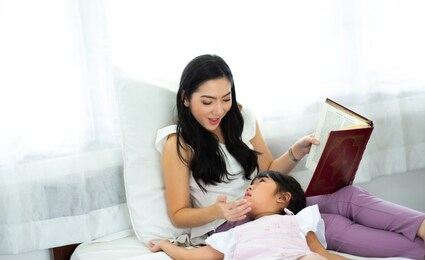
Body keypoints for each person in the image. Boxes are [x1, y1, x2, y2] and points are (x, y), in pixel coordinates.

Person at [155, 54, 425, 259]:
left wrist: (296, 151)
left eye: (225, 98)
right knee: (332, 226)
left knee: (347, 195)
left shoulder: (240, 118)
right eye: (207, 102)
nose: (219, 110)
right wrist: (218, 210)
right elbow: (178, 215)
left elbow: (268, 169)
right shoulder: (177, 143)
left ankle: (422, 226)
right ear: (186, 98)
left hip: (269, 204)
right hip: (234, 222)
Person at [148, 171, 349, 260]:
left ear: (283, 198)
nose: (250, 186)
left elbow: (322, 254)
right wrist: (164, 244)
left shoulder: (297, 221)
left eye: (260, 182)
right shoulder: (236, 233)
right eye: (250, 184)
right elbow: (189, 256)